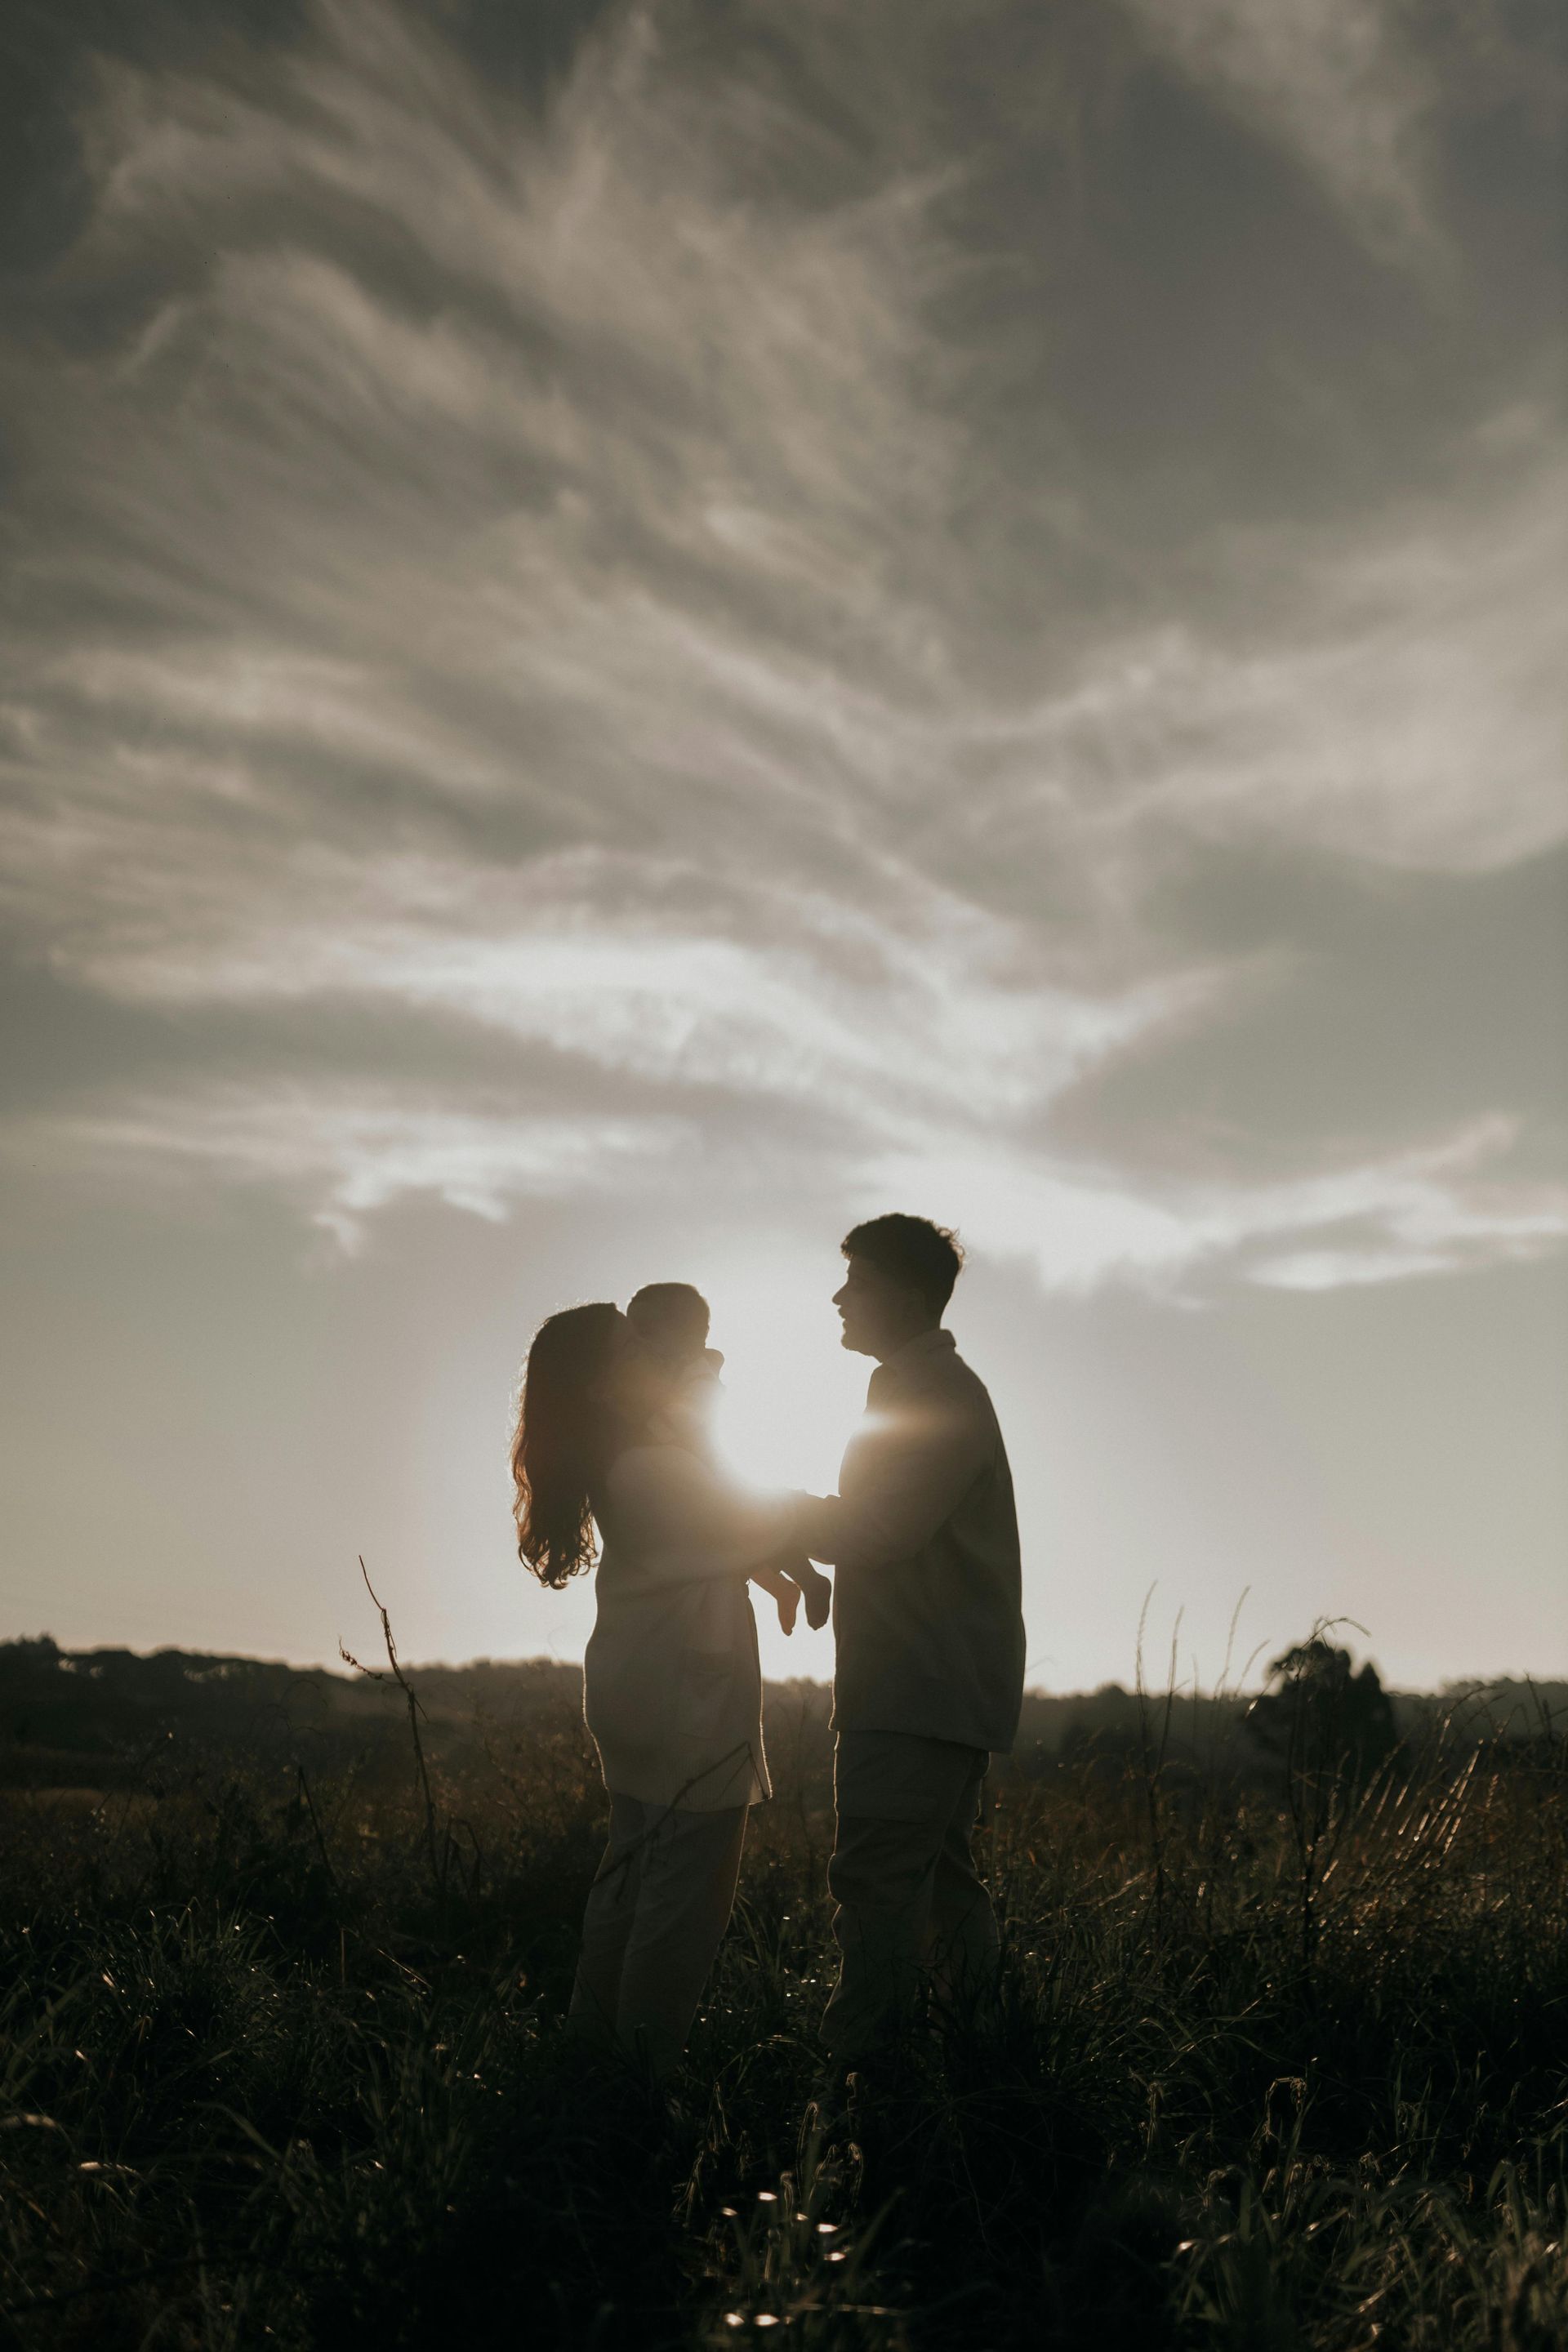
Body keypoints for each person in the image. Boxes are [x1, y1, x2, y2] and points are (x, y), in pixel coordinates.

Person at [510, 1299, 818, 2081]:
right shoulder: (646, 1467)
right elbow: (758, 1519)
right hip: (686, 1703)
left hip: (644, 1693)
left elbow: (724, 1530)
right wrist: (882, 1514)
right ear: (606, 1383)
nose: (651, 1353)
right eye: (633, 1347)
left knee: (629, 1884)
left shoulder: (633, 1457)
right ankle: (637, 2084)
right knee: (681, 1905)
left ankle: (590, 2061)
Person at [795, 1215, 1025, 2067]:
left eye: (854, 1280)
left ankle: (869, 2086)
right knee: (943, 1892)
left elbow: (879, 1529)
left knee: (880, 1888)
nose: (839, 1297)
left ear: (900, 1291)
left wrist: (760, 1513)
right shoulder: (923, 1388)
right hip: (936, 1691)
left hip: (915, 1694)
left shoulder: (933, 1394)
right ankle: (986, 2066)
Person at [626, 1281, 831, 1636]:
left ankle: (808, 1579)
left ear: (689, 1335)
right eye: (633, 1332)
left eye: (646, 1330)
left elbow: (690, 1412)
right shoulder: (670, 1369)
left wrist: (653, 1433)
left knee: (756, 1527)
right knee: (740, 1540)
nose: (637, 1341)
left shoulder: (697, 1373)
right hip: (700, 1474)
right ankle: (785, 1588)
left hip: (716, 1470)